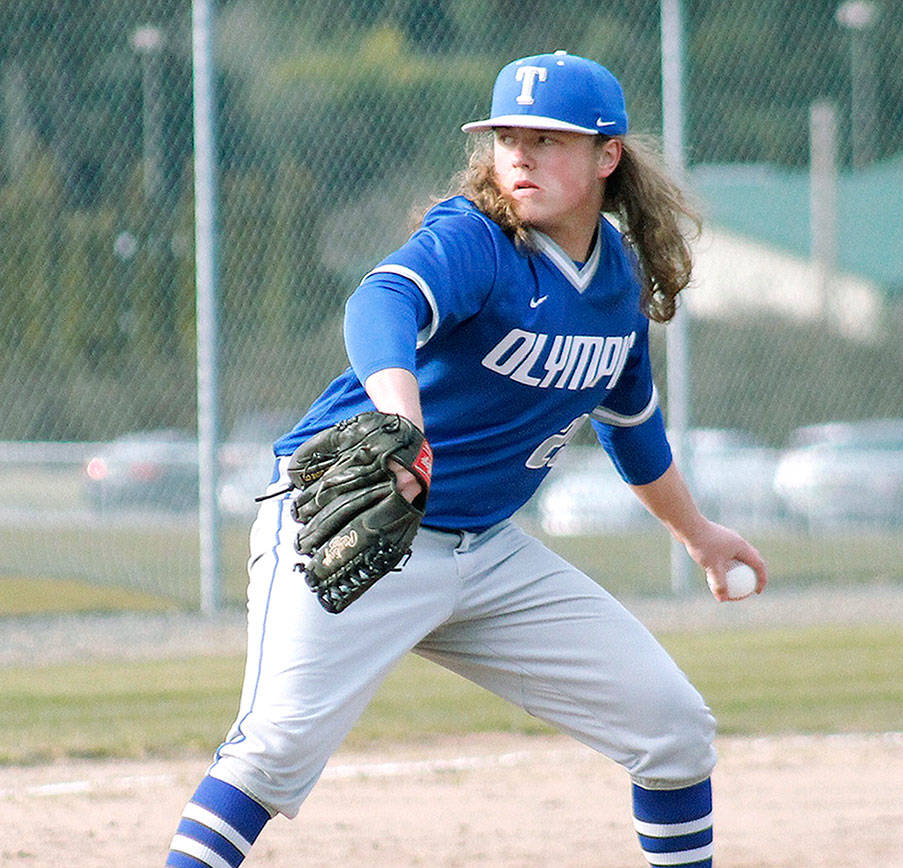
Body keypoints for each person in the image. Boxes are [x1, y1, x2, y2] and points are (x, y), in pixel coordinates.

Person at [166, 50, 767, 868]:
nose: (520, 154)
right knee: (272, 751)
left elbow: (632, 427)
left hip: (486, 555)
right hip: (348, 524)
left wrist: (697, 534)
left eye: (548, 139)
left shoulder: (615, 281)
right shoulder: (478, 239)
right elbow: (382, 299)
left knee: (673, 729)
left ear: (607, 156)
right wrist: (400, 416)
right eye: (507, 137)